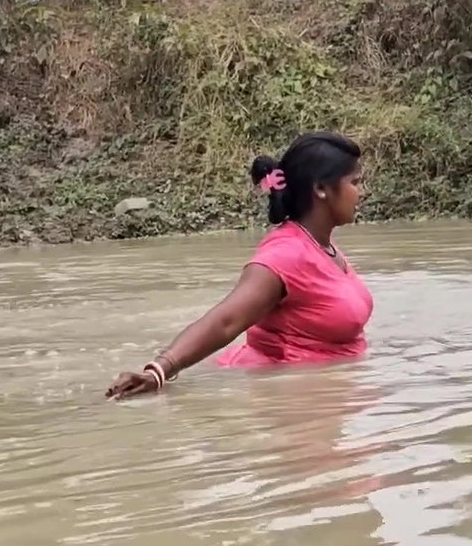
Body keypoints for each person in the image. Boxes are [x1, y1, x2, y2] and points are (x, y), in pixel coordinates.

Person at [105, 131, 374, 401]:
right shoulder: (286, 255)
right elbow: (226, 320)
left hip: (327, 393)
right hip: (293, 401)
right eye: (355, 182)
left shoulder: (323, 247)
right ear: (321, 189)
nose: (361, 193)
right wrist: (159, 371)